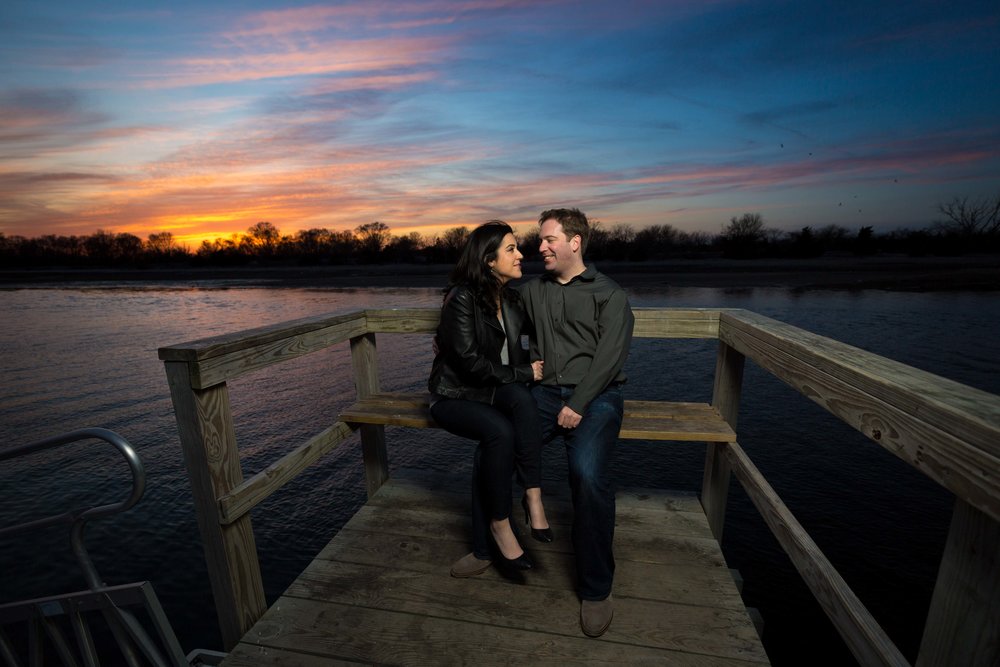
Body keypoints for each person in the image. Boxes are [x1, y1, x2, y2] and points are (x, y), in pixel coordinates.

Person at [517, 208, 634, 637]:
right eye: (539, 241)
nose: (540, 247)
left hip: (598, 395)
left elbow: (610, 359)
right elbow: (504, 325)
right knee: (496, 443)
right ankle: (485, 544)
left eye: (548, 240)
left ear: (575, 242)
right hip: (545, 393)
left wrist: (580, 402)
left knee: (587, 474)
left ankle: (596, 589)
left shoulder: (609, 294)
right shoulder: (533, 292)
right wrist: (526, 362)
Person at [428, 220, 553, 579]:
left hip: (491, 392)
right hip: (453, 395)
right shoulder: (461, 298)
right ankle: (500, 525)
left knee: (518, 410)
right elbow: (469, 365)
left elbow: (548, 324)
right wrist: (525, 372)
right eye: (511, 249)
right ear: (487, 260)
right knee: (499, 433)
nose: (521, 255)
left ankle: (532, 496)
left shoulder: (511, 300)